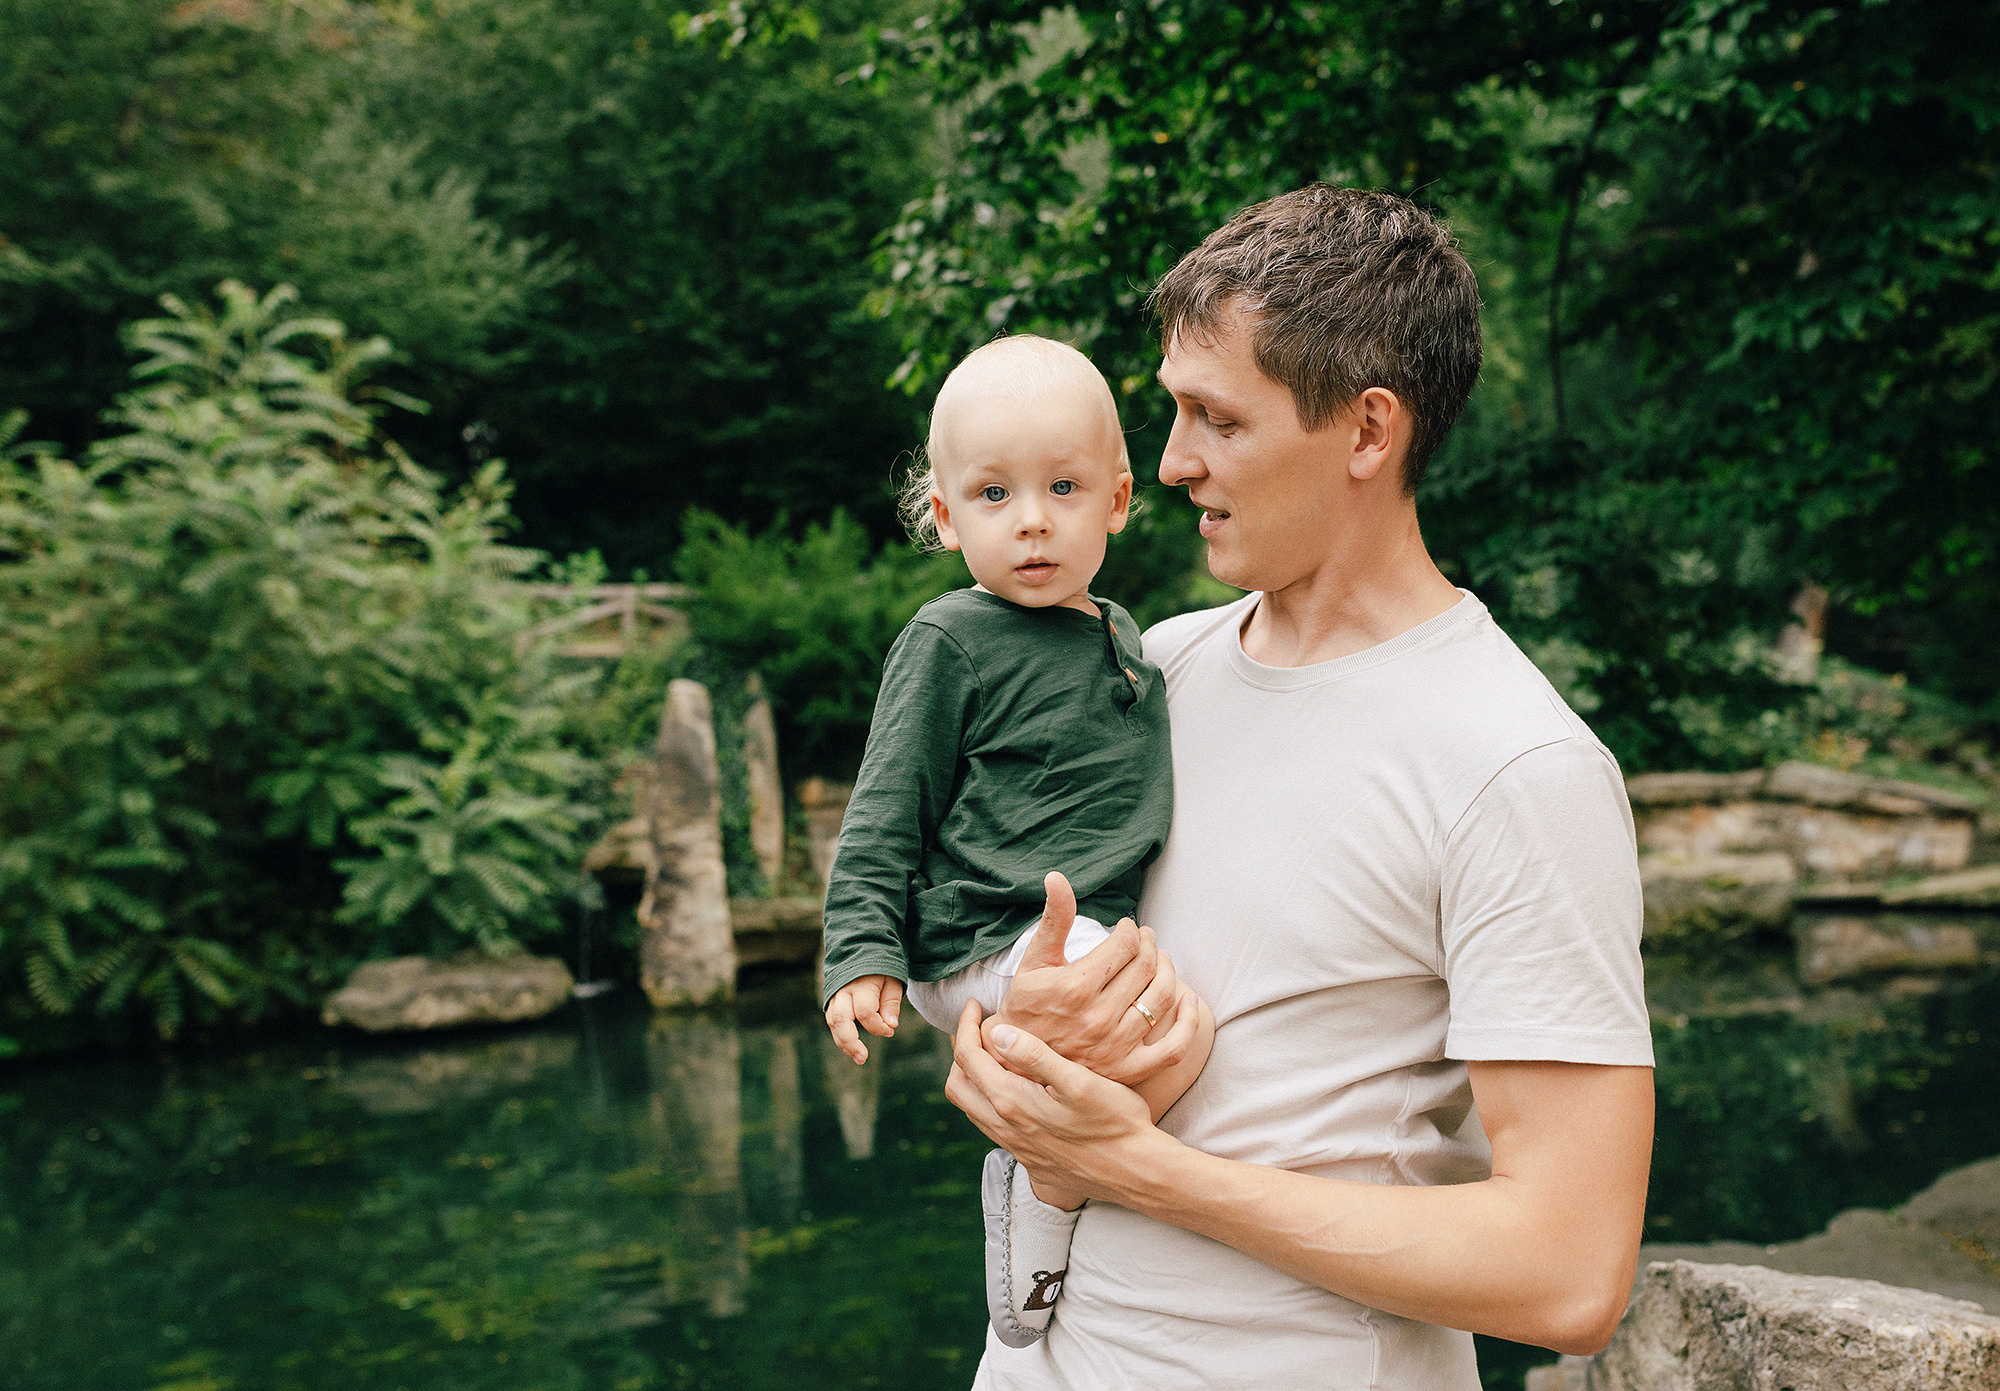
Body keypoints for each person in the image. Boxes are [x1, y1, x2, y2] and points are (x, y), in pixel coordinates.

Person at [946, 185, 1656, 1389]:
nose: (1170, 462)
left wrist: (1135, 1168)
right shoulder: (1141, 669)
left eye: (1216, 418)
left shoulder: (1517, 767)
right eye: (1174, 409)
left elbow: (1566, 1273)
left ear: (1367, 431)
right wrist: (1007, 1035)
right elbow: (992, 952)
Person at [818, 334, 1217, 1345]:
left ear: (1118, 500)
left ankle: (1052, 1187)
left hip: (1067, 934)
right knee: (1161, 1033)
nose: (1031, 519)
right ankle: (1042, 1188)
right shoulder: (949, 639)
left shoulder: (1124, 638)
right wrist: (860, 953)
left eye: (1062, 488)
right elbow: (884, 807)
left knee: (1172, 1031)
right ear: (947, 516)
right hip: (984, 931)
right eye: (994, 495)